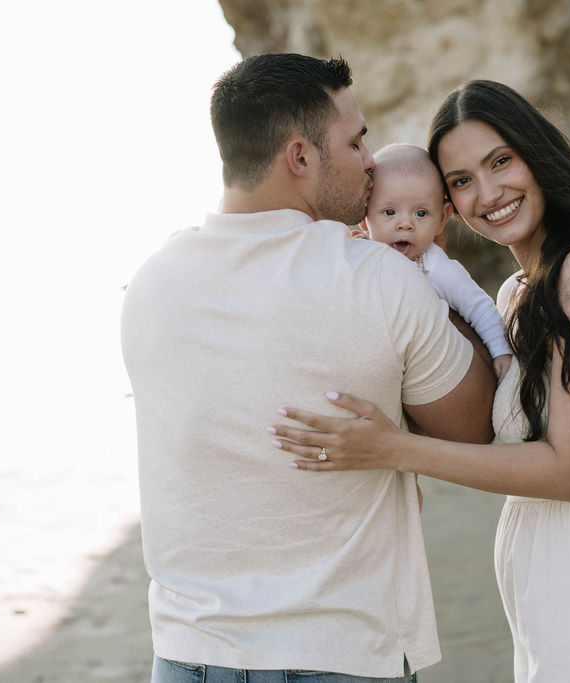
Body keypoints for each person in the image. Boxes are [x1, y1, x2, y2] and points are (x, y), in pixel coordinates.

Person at [269, 80, 570, 682]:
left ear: (538, 153)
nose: (489, 193)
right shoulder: (513, 295)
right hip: (550, 584)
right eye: (460, 181)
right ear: (446, 204)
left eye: (500, 161)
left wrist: (390, 451)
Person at [120, 54, 496, 683]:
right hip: (339, 654)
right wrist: (434, 273)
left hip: (187, 655)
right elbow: (475, 427)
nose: (371, 160)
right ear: (299, 158)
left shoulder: (152, 283)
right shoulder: (382, 280)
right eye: (355, 141)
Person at [360, 143, 513, 380]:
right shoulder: (361, 255)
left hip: (429, 374)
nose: (405, 224)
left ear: (442, 219)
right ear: (364, 219)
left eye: (421, 213)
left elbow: (479, 307)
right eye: (389, 212)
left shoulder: (435, 267)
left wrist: (501, 351)